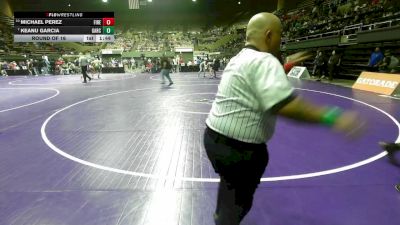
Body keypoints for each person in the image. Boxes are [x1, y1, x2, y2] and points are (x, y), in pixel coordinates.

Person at [203, 12, 366, 225]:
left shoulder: (239, 58)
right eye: (280, 35)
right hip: (240, 151)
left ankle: (221, 213)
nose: (281, 41)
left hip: (214, 140)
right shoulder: (264, 61)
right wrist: (333, 117)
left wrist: (285, 67)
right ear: (269, 35)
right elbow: (287, 106)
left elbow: (256, 81)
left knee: (229, 186)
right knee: (239, 203)